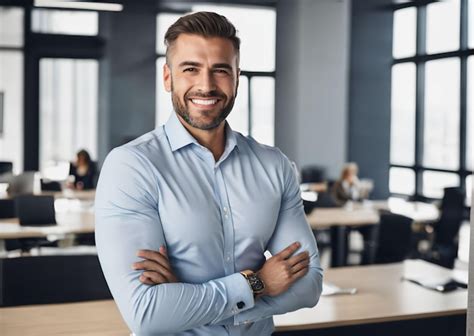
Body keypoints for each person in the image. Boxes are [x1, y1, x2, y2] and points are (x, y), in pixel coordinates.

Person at [95, 12, 322, 336]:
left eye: (220, 70)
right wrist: (258, 283)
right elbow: (147, 313)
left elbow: (310, 284)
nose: (206, 85)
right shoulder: (131, 168)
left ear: (237, 77)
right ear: (167, 77)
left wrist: (187, 304)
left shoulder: (274, 166)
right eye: (191, 69)